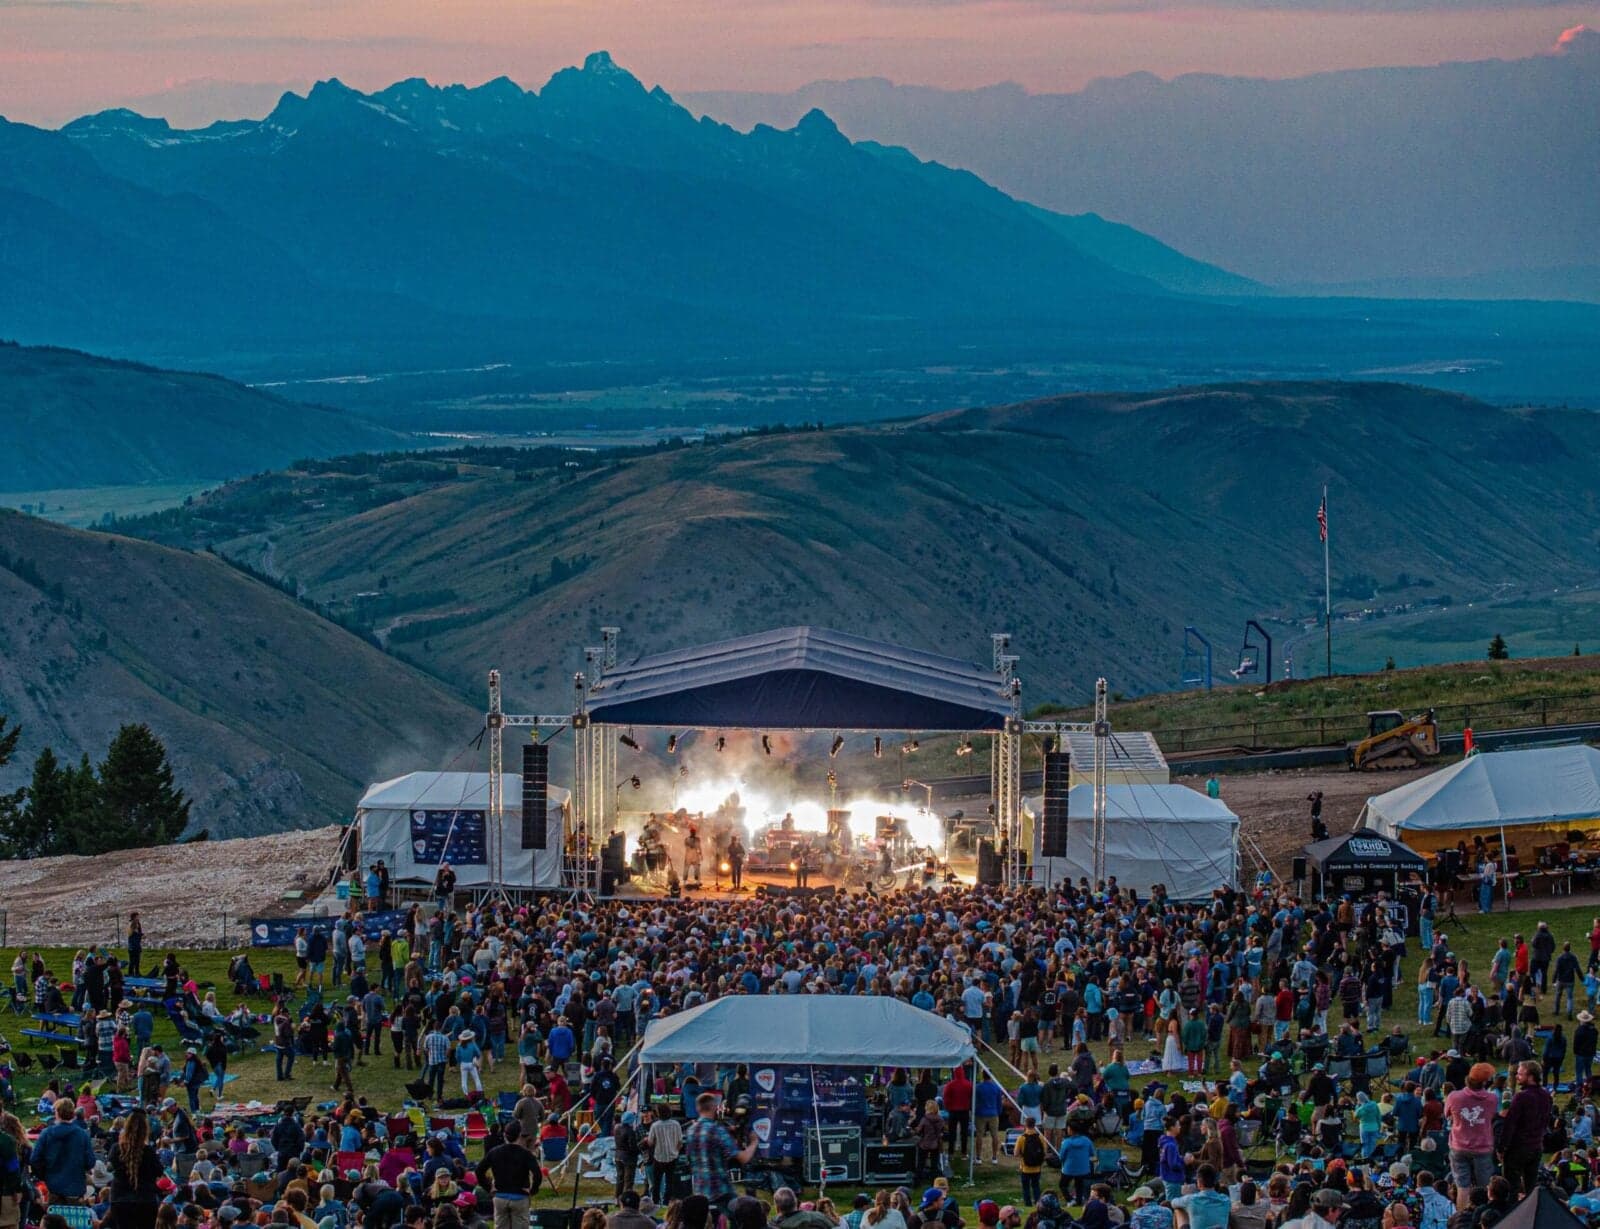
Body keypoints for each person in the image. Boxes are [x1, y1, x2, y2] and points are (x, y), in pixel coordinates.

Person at [683, 1091, 756, 1213]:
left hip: (699, 1190)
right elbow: (743, 1158)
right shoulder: (717, 1130)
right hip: (720, 1190)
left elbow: (689, 1159)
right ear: (714, 1107)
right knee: (741, 1215)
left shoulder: (690, 1131)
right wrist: (754, 1143)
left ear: (697, 1108)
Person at [1444, 1062, 1499, 1208]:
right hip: (1482, 1147)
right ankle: (1484, 1217)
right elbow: (1493, 1115)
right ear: (1485, 1082)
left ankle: (1462, 1219)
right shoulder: (1492, 1099)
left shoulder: (1454, 1097)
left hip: (1459, 1146)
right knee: (1484, 1187)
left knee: (1462, 1187)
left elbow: (1446, 1114)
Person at [1499, 1059, 1553, 1199]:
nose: (1517, 1077)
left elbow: (1510, 1124)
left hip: (1519, 1147)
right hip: (1536, 1146)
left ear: (1530, 1076)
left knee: (1511, 1186)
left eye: (1520, 1074)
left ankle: (1511, 1214)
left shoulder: (1521, 1097)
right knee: (1531, 1185)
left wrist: (1502, 1147)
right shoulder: (1546, 1096)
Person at [474, 1119, 541, 1229]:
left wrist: (488, 1187)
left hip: (500, 1197)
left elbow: (478, 1170)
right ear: (520, 1135)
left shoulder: (494, 1152)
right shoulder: (526, 1154)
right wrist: (533, 1190)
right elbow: (537, 1174)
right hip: (520, 1197)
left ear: (505, 1135)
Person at [107, 1107, 163, 1229]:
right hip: (145, 1199)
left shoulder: (116, 1149)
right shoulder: (148, 1152)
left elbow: (111, 1167)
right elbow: (159, 1171)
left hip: (120, 1199)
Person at [30, 1100, 93, 1205]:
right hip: (75, 1188)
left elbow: (35, 1159)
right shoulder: (82, 1135)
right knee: (74, 1220)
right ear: (73, 1114)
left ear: (57, 1113)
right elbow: (90, 1161)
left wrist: (45, 1176)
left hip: (54, 1187)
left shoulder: (46, 1134)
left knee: (55, 1220)